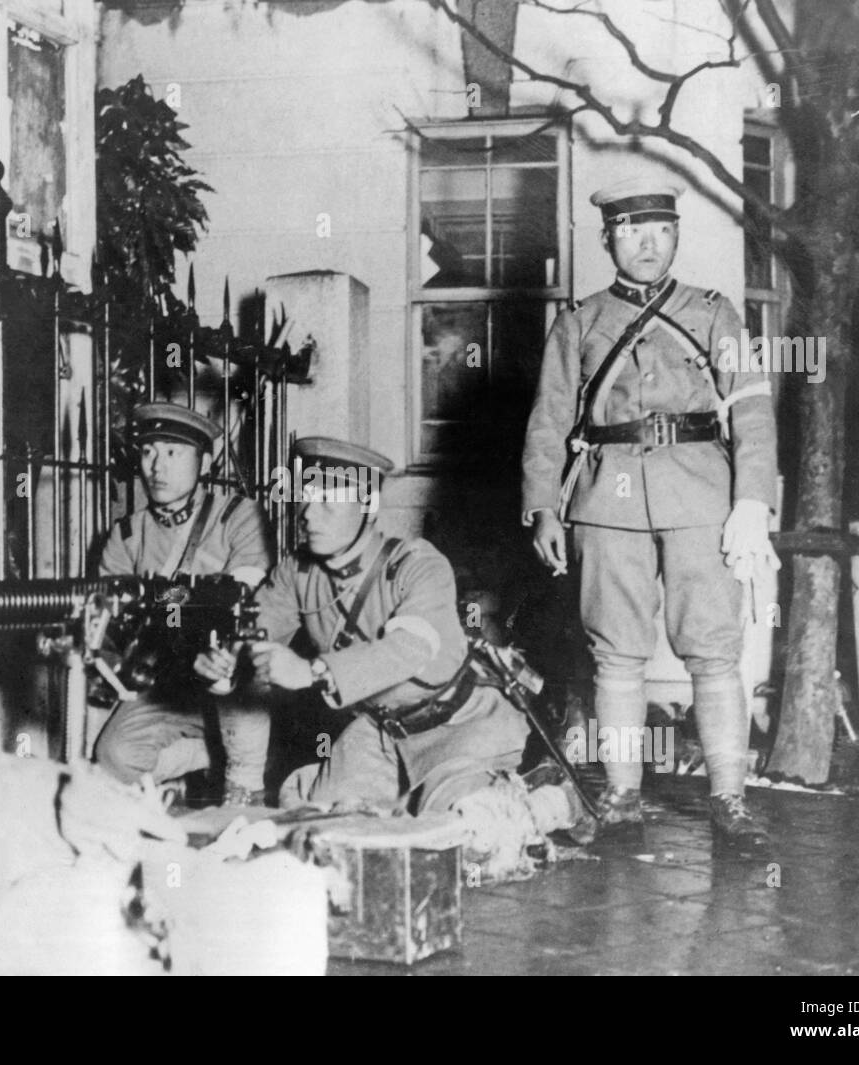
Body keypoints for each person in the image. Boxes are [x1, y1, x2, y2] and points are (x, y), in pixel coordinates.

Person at [521, 177, 780, 848]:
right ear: (608, 237)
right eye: (632, 230)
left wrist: (752, 498)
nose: (647, 242)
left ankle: (730, 799)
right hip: (606, 497)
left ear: (675, 236)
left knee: (716, 652)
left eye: (660, 229)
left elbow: (751, 405)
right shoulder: (579, 321)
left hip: (702, 494)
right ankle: (624, 794)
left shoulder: (715, 312)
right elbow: (549, 419)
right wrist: (543, 506)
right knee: (616, 655)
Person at [195, 436, 590, 834]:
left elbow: (411, 648)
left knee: (467, 832)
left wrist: (312, 671)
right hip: (380, 732)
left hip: (458, 726)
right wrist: (225, 662)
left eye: (329, 502)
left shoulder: (416, 563)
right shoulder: (296, 572)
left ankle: (549, 801)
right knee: (320, 826)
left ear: (368, 507)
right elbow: (255, 630)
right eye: (307, 498)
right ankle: (405, 802)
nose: (309, 515)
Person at [94, 402, 274, 805]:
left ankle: (244, 785)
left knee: (243, 655)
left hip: (232, 679)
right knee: (112, 758)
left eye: (173, 453)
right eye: (148, 452)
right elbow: (117, 623)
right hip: (170, 681)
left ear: (205, 461)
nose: (157, 467)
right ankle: (205, 761)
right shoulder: (126, 535)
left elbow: (237, 599)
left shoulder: (239, 516)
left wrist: (160, 597)